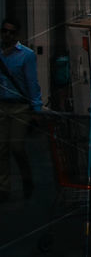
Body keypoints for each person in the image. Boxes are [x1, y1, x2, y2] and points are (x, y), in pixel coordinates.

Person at [0, 16, 41, 202]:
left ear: (17, 34)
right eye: (4, 31)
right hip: (2, 105)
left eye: (11, 32)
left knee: (16, 146)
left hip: (20, 106)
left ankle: (26, 178)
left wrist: (36, 110)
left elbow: (32, 83)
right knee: (1, 148)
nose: (7, 35)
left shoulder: (26, 55)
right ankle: (4, 187)